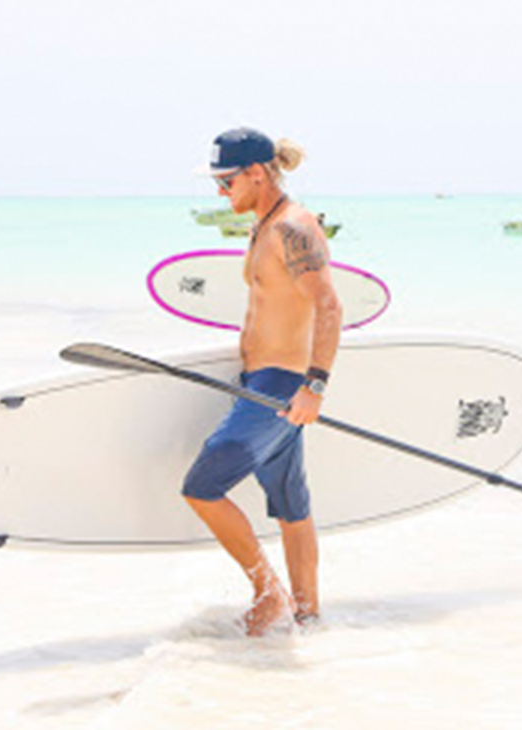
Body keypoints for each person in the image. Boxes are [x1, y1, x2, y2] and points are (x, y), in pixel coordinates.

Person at [183, 127, 342, 635]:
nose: (220, 192)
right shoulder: (264, 225)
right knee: (291, 507)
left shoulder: (293, 228)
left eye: (226, 181)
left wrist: (314, 386)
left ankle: (268, 593)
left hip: (278, 387)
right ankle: (309, 618)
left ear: (256, 173)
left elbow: (329, 306)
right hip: (264, 380)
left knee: (203, 487)